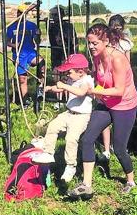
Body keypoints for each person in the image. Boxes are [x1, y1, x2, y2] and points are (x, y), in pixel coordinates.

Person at [67, 23, 137, 199]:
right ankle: (86, 185)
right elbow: (99, 79)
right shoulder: (97, 57)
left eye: (94, 43)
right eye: (89, 43)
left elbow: (119, 90)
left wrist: (93, 91)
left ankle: (131, 182)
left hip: (124, 105)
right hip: (106, 103)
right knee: (87, 139)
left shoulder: (118, 59)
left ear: (106, 41)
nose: (91, 47)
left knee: (119, 148)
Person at [31, 54, 93, 183]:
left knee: (71, 139)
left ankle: (71, 166)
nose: (67, 73)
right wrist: (49, 88)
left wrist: (64, 86)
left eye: (69, 71)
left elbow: (81, 92)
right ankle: (48, 152)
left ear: (80, 71)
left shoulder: (87, 81)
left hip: (81, 116)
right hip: (68, 113)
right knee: (52, 127)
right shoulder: (72, 79)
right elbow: (59, 88)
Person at [99, 14, 135, 160]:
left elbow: (128, 64)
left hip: (118, 82)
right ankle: (108, 148)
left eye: (118, 27)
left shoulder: (125, 43)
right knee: (106, 115)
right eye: (114, 27)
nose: (116, 30)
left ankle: (116, 147)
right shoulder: (105, 43)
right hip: (107, 81)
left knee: (117, 116)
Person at [6, 2, 45, 107]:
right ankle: (25, 101)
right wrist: (14, 45)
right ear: (17, 13)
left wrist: (38, 35)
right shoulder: (11, 27)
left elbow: (37, 41)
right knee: (22, 79)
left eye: (25, 13)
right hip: (19, 55)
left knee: (41, 62)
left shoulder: (31, 25)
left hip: (30, 53)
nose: (22, 15)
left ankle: (41, 86)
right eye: (21, 13)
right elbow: (6, 42)